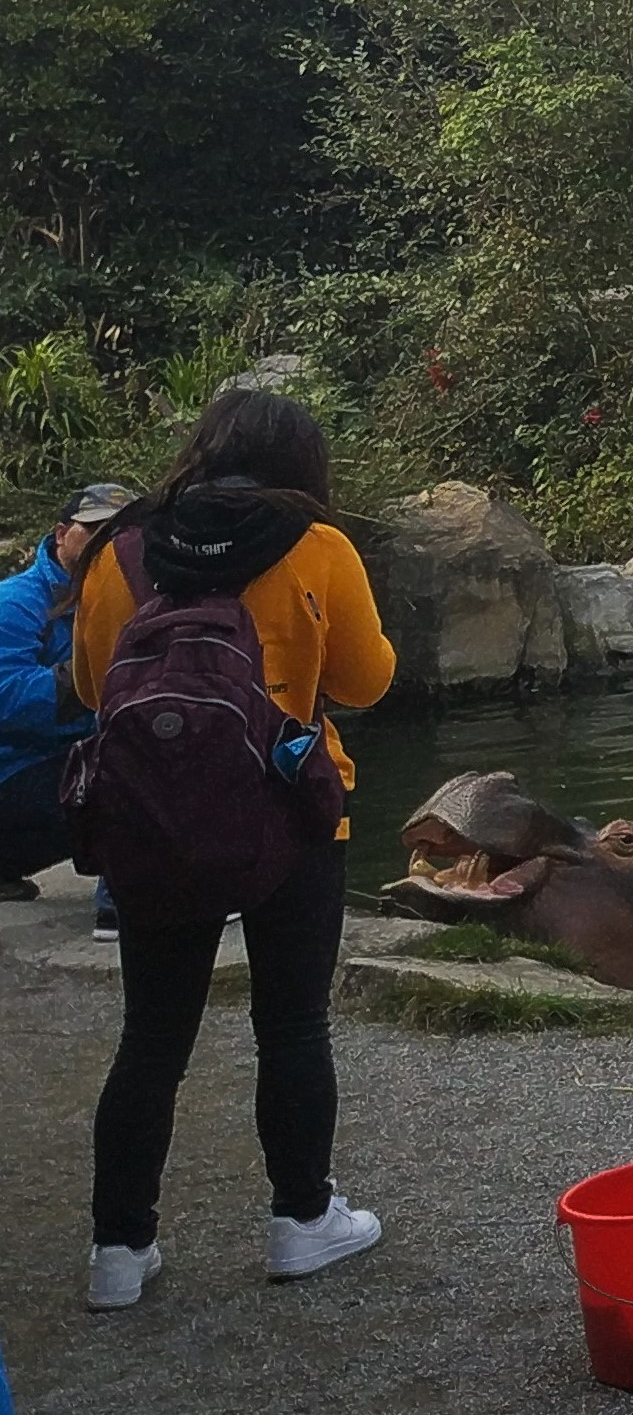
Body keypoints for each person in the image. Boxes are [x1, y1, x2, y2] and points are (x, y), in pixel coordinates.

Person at [64, 390, 397, 1311]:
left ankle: (119, 1252)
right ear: (302, 462)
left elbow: (95, 687)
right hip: (292, 816)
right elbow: (366, 680)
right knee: (291, 1026)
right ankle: (301, 1222)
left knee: (151, 1038)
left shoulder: (120, 547)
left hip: (153, 823)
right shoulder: (316, 545)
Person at [0, 483, 136, 902]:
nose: (108, 545)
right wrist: (97, 668)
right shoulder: (15, 602)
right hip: (15, 775)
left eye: (121, 534)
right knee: (129, 765)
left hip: (61, 772)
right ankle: (122, 904)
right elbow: (8, 700)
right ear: (62, 534)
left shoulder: (131, 597)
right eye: (96, 530)